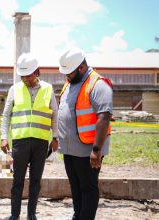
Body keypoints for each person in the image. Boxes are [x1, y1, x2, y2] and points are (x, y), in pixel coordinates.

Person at [0, 53, 59, 220]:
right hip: (20, 142)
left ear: (37, 72)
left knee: (35, 182)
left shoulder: (48, 89)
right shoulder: (15, 89)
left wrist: (55, 137)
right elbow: (6, 115)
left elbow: (55, 114)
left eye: (29, 75)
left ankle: (31, 215)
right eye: (23, 75)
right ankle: (14, 215)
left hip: (41, 142)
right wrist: (4, 136)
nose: (25, 78)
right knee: (17, 181)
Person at [58, 48, 113, 220]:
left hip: (88, 149)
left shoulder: (98, 84)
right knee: (75, 186)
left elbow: (104, 117)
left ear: (81, 68)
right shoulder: (70, 82)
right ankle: (78, 215)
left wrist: (97, 150)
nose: (66, 76)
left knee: (88, 188)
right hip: (69, 149)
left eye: (69, 73)